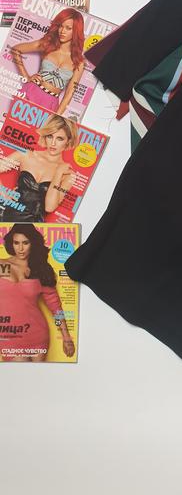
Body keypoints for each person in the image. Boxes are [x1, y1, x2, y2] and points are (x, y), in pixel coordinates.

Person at [0, 223, 75, 361]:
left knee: (37, 374)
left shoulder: (40, 270)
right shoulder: (2, 265)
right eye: (16, 243)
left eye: (25, 243)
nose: (20, 248)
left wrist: (66, 337)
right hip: (9, 335)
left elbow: (55, 307)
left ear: (33, 243)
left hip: (37, 334)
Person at [0, 115, 77, 222]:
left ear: (68, 141)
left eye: (60, 139)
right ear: (45, 136)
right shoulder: (26, 155)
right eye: (50, 136)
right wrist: (3, 192)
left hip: (34, 224)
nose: (53, 143)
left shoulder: (68, 174)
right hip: (7, 216)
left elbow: (49, 207)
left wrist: (58, 173)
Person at [10, 8, 85, 115]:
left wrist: (56, 116)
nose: (62, 31)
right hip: (30, 93)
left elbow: (69, 93)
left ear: (76, 31)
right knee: (14, 124)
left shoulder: (79, 62)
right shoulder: (47, 44)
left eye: (68, 28)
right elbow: (15, 50)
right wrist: (26, 77)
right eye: (61, 26)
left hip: (50, 104)